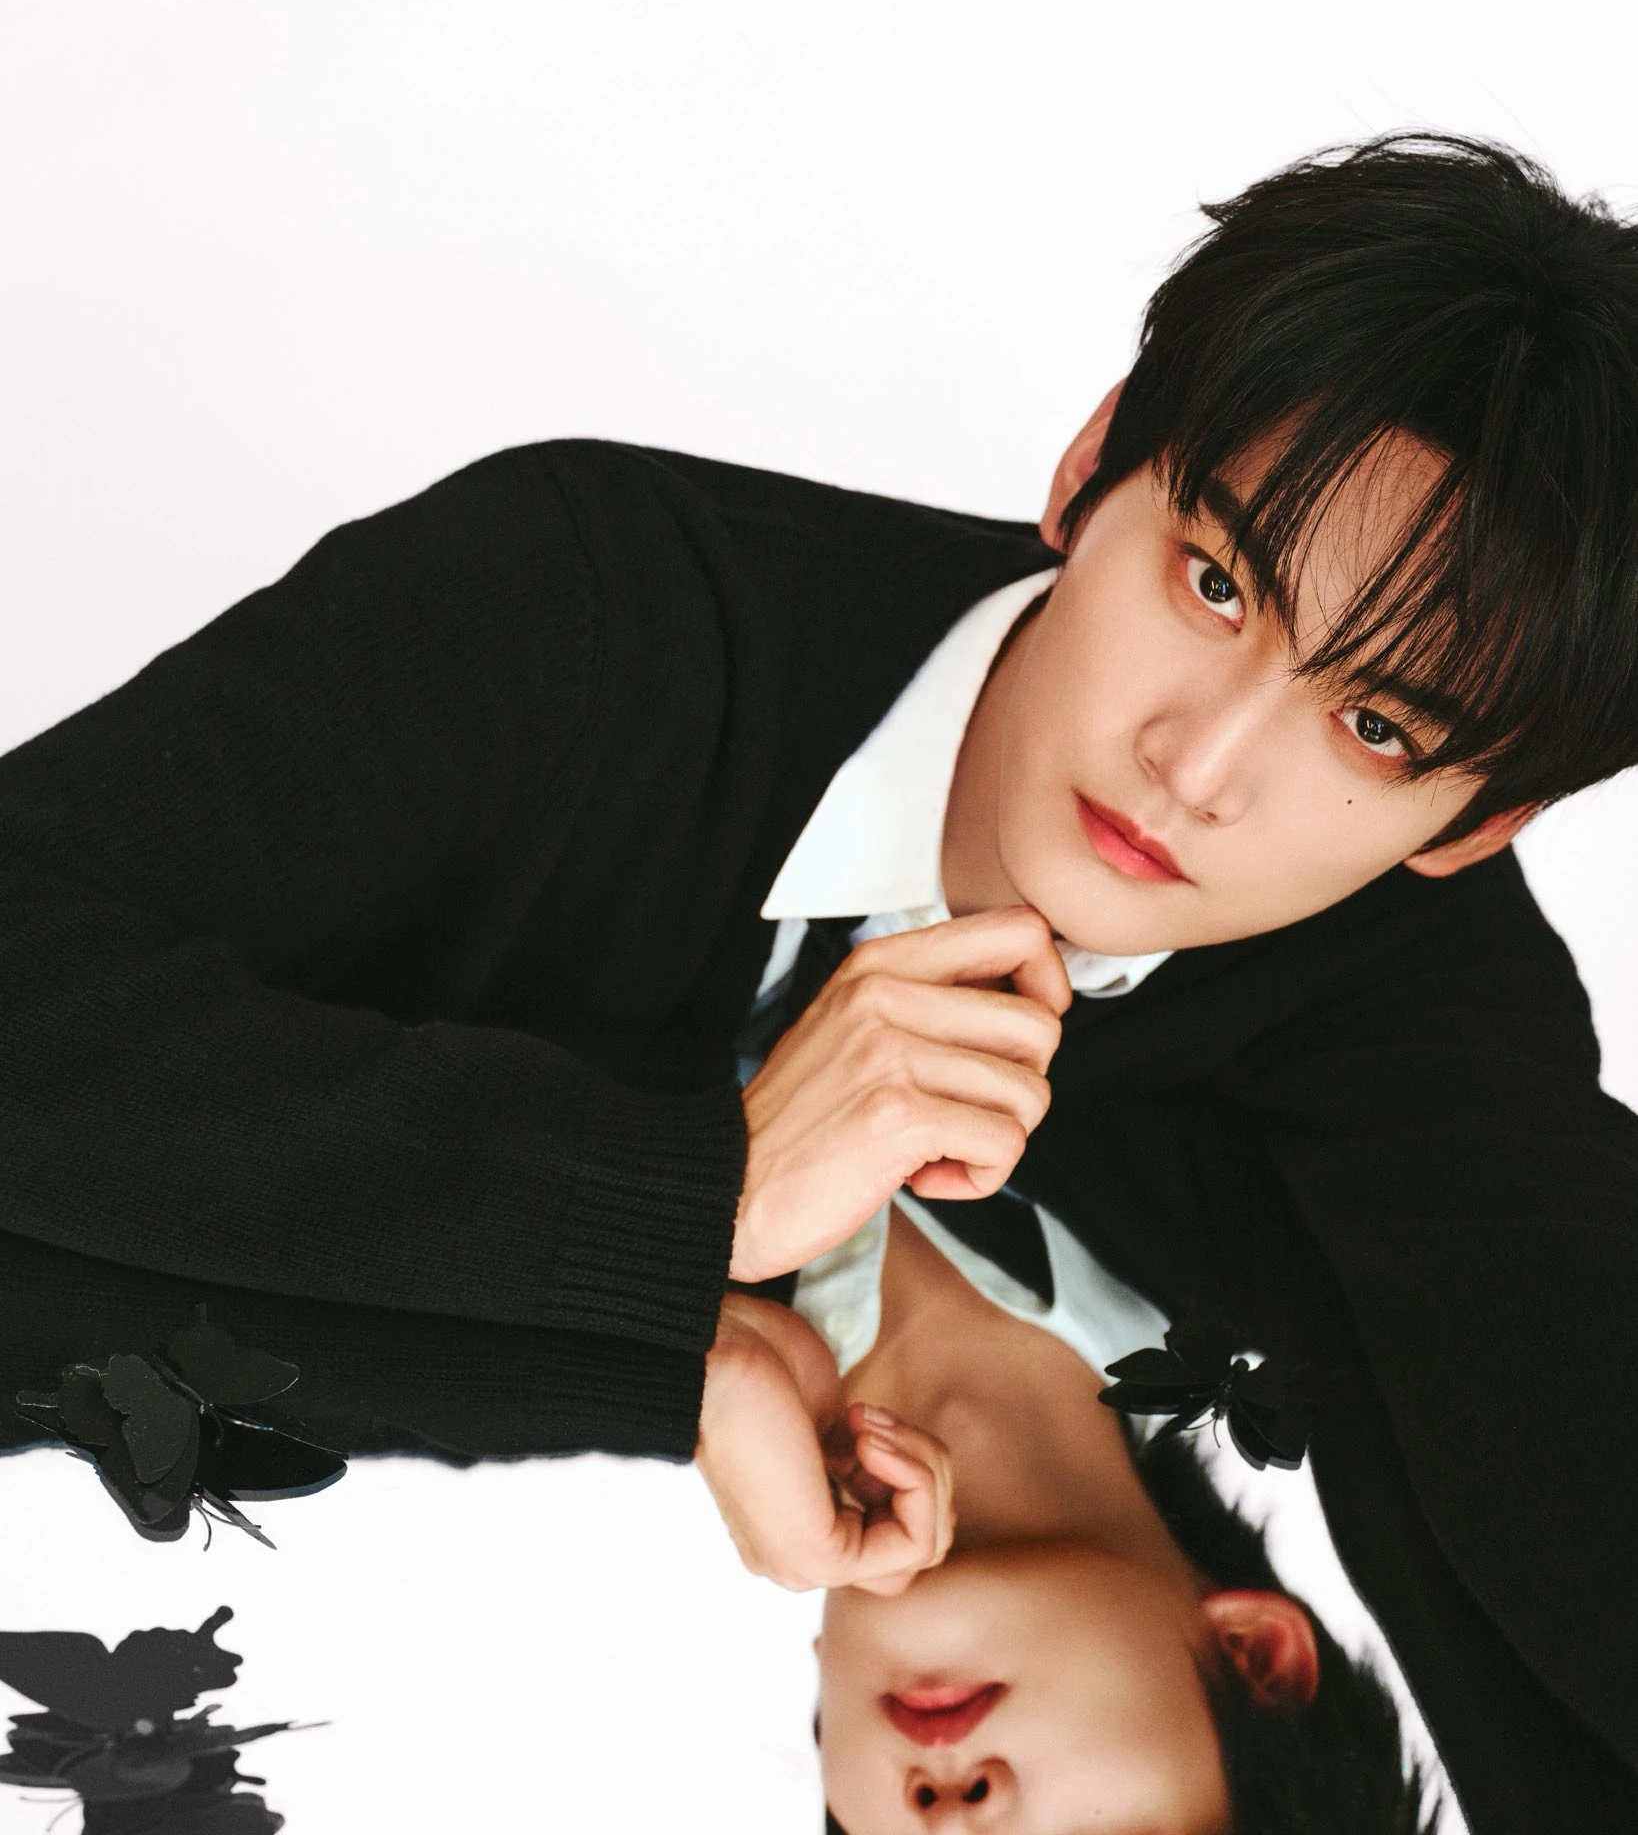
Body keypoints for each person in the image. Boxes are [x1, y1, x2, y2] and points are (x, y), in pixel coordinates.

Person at [0, 130, 1634, 1829]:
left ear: (1475, 824)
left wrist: (666, 1343)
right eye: (1212, 581)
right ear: (1091, 467)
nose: (1197, 765)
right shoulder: (591, 609)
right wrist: (692, 1192)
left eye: (1375, 727)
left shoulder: (1395, 1009)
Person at [700, 1187, 1437, 1834]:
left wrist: (676, 1323)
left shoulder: (658, 1341)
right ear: (1254, 1659)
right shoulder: (1271, 1195)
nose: (952, 1822)